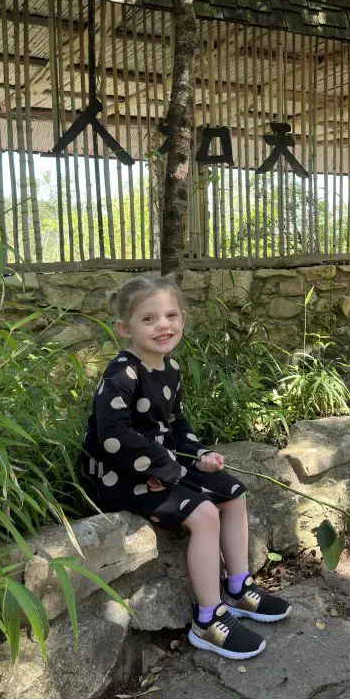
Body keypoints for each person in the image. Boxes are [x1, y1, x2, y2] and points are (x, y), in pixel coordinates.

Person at [81, 275, 291, 660]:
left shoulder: (170, 369)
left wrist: (198, 456)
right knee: (205, 514)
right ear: (125, 329)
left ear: (182, 319)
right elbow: (113, 437)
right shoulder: (121, 373)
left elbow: (176, 425)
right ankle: (208, 619)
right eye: (149, 319)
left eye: (171, 315)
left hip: (163, 465)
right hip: (121, 476)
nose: (163, 325)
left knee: (233, 493)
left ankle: (239, 586)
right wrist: (169, 471)